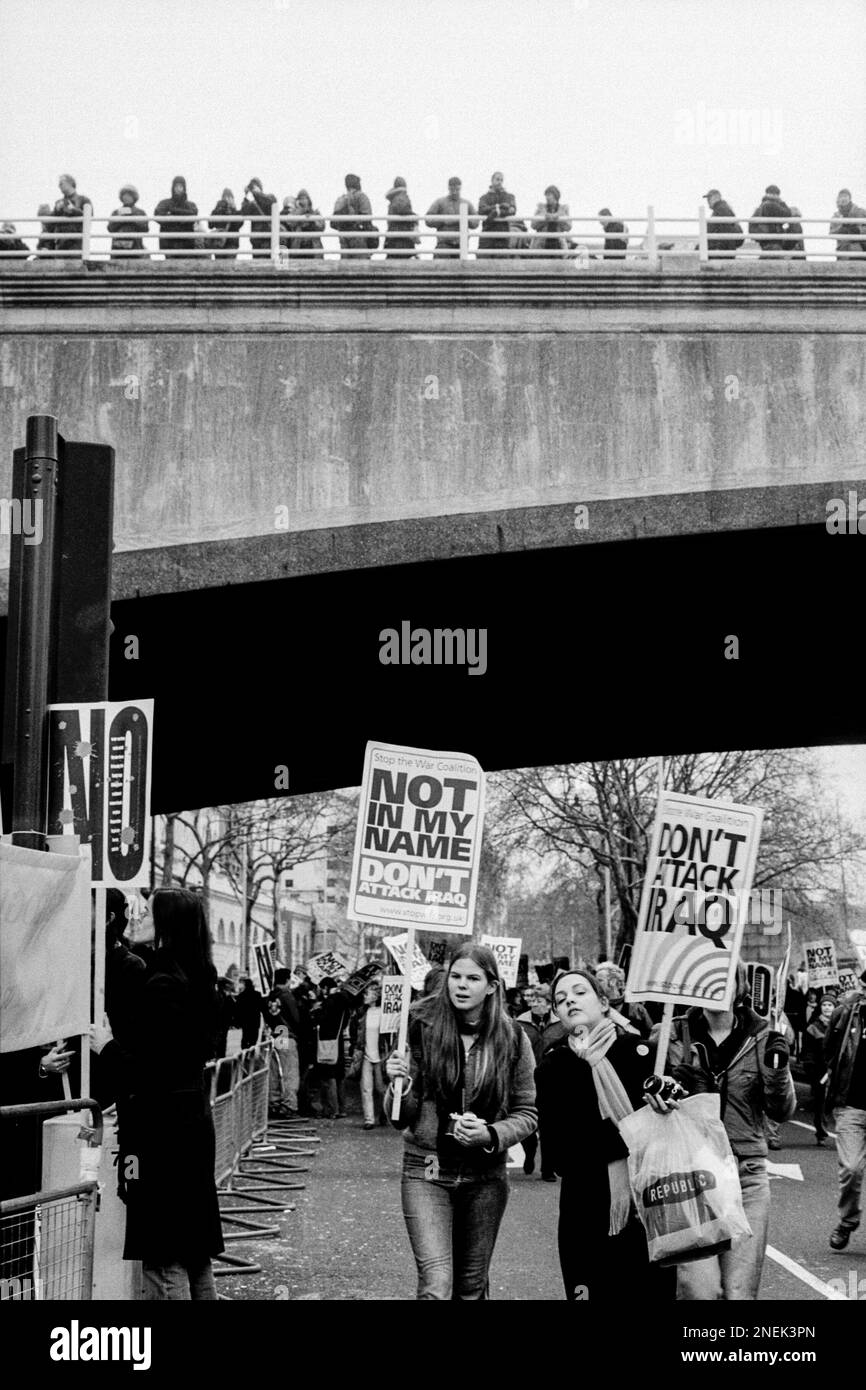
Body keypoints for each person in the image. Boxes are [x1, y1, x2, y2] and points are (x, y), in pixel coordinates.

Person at [385, 943, 536, 1300]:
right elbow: (398, 1118)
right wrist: (399, 1085)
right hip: (426, 1171)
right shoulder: (420, 1027)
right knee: (436, 1285)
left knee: (470, 1287)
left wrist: (491, 1133)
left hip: (485, 1178)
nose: (461, 985)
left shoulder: (512, 1037)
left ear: (492, 987)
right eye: (455, 976)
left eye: (472, 978)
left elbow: (528, 1112)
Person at [535, 969, 675, 1302]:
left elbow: (664, 1129)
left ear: (602, 1002)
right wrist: (618, 1143)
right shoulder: (554, 1066)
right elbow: (556, 1151)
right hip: (584, 1209)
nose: (569, 1000)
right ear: (556, 1014)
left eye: (579, 992)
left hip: (648, 1203)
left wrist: (669, 1099)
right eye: (560, 998)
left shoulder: (641, 1054)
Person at [661, 961, 796, 1299]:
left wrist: (778, 1072)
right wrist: (666, 1090)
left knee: (739, 1293)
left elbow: (780, 1111)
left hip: (745, 1176)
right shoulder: (671, 1033)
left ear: (739, 987)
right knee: (699, 1292)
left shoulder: (763, 1036)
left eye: (724, 979)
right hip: (689, 1176)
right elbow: (650, 1103)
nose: (715, 986)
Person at [120, 886, 223, 1300]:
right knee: (194, 1251)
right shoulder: (198, 978)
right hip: (191, 1123)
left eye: (146, 912)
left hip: (161, 1129)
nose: (136, 917)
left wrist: (107, 1046)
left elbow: (152, 1064)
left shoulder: (162, 982)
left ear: (166, 925)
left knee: (163, 1256)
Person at [823, 970, 866, 1251]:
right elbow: (830, 1049)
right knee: (851, 1168)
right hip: (852, 1105)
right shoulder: (847, 1014)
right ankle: (848, 1220)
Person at [517, 983, 565, 1180]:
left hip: (551, 1081)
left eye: (540, 1001)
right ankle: (529, 1151)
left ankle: (548, 1168)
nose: (536, 1004)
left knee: (549, 1126)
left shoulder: (560, 1024)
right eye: (534, 1001)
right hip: (527, 1078)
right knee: (527, 1123)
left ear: (549, 1004)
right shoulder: (521, 1023)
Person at [350, 981, 390, 1127]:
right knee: (366, 1088)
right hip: (365, 1053)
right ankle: (369, 1120)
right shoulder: (361, 1012)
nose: (364, 996)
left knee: (381, 1088)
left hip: (380, 1054)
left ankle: (384, 1113)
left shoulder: (385, 1013)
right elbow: (354, 1030)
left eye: (367, 993)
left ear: (376, 995)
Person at [316, 977, 351, 1117]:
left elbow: (322, 1019)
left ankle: (332, 1109)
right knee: (339, 1076)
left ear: (325, 988)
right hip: (339, 1041)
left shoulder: (329, 1002)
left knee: (328, 1075)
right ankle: (342, 1108)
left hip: (327, 1041)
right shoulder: (344, 1002)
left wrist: (316, 1011)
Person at [803, 995, 835, 1144]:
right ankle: (821, 1132)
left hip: (836, 1070)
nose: (827, 1007)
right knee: (820, 1102)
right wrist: (810, 1067)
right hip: (820, 1071)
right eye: (824, 1005)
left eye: (830, 1005)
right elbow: (808, 1050)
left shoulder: (841, 1026)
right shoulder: (813, 1027)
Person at [594, 962, 653, 1038]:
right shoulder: (595, 1007)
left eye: (600, 980)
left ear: (612, 982)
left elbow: (650, 1037)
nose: (596, 985)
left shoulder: (636, 1010)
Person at [425, 177, 478, 259]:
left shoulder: (466, 203)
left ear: (460, 188)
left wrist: (463, 220)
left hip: (461, 244)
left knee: (460, 269)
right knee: (441, 266)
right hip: (444, 244)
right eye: (452, 189)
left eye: (457, 189)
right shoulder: (440, 202)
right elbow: (428, 219)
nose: (455, 192)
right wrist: (443, 220)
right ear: (448, 188)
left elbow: (476, 223)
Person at [332, 174, 377, 260]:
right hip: (359, 237)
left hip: (343, 237)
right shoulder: (362, 197)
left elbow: (333, 223)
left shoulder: (341, 199)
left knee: (346, 267)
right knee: (362, 267)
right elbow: (367, 219)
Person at [154, 176, 198, 257]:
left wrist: (172, 212)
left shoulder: (191, 205)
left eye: (181, 186)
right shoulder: (164, 203)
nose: (178, 189)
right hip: (168, 244)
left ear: (184, 188)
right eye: (176, 186)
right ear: (173, 188)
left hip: (186, 244)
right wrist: (183, 216)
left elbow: (193, 216)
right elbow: (158, 216)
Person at [51, 174, 93, 256]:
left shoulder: (84, 200)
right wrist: (56, 211)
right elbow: (51, 223)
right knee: (60, 267)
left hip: (76, 242)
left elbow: (89, 218)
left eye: (61, 183)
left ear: (70, 183)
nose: (59, 186)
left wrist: (74, 211)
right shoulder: (58, 203)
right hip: (61, 242)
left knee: (77, 266)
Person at [477, 171, 517, 257]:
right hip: (487, 233)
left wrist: (497, 212)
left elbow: (512, 210)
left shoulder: (509, 196)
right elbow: (481, 210)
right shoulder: (484, 197)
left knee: (502, 265)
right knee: (483, 263)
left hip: (502, 235)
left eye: (501, 180)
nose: (500, 182)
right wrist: (499, 207)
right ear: (492, 181)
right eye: (497, 179)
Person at [748, 184, 791, 258]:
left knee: (767, 258)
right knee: (776, 261)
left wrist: (758, 235)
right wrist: (782, 202)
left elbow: (751, 223)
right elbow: (787, 213)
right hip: (773, 239)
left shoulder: (761, 206)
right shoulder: (771, 205)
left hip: (766, 240)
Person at [106, 185, 149, 260]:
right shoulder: (116, 212)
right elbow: (110, 228)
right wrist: (121, 219)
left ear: (134, 197)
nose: (126, 197)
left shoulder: (140, 212)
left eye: (129, 195)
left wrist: (132, 218)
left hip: (135, 248)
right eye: (124, 195)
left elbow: (145, 229)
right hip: (118, 248)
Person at [280, 189, 325, 259]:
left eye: (304, 198)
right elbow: (289, 222)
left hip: (314, 249)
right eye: (300, 199)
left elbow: (321, 227)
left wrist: (311, 219)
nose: (303, 201)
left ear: (309, 200)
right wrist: (301, 211)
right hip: (298, 247)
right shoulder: (295, 213)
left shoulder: (315, 213)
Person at [240, 178, 277, 259]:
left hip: (269, 238)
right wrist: (246, 197)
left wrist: (257, 194)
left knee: (269, 263)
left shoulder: (270, 197)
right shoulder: (251, 202)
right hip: (256, 240)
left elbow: (271, 203)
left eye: (255, 187)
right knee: (257, 265)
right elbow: (244, 212)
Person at [530, 186, 572, 255]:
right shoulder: (541, 208)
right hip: (541, 245)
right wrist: (544, 217)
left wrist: (557, 218)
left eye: (549, 195)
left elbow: (568, 226)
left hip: (558, 245)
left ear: (555, 196)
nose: (547, 197)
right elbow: (533, 225)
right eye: (546, 195)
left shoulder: (563, 209)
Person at [383, 177, 418, 259]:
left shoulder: (394, 199)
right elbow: (403, 210)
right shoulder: (402, 196)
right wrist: (415, 218)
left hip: (393, 238)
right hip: (402, 239)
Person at [703, 189, 744, 259]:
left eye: (709, 198)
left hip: (720, 251)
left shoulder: (720, 210)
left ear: (716, 197)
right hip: (723, 250)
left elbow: (719, 232)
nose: (708, 201)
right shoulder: (724, 209)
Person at [829, 188, 866, 259]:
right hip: (843, 250)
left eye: (845, 196)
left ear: (850, 198)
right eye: (841, 196)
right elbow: (831, 233)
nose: (843, 198)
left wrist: (858, 230)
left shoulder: (861, 212)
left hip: (860, 248)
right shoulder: (836, 216)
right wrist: (841, 229)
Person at [209, 188, 242, 259]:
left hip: (232, 243)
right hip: (219, 242)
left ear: (233, 199)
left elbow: (238, 225)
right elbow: (210, 224)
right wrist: (218, 209)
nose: (227, 199)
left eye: (229, 197)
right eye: (225, 197)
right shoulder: (219, 210)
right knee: (219, 266)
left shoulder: (237, 212)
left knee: (230, 266)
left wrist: (232, 210)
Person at [234, 975, 263, 1050]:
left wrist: (237, 1021)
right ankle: (251, 1052)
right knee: (253, 1039)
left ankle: (244, 1053)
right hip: (255, 1020)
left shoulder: (241, 996)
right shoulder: (257, 995)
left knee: (245, 1037)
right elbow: (262, 1007)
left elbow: (237, 1010)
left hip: (245, 1021)